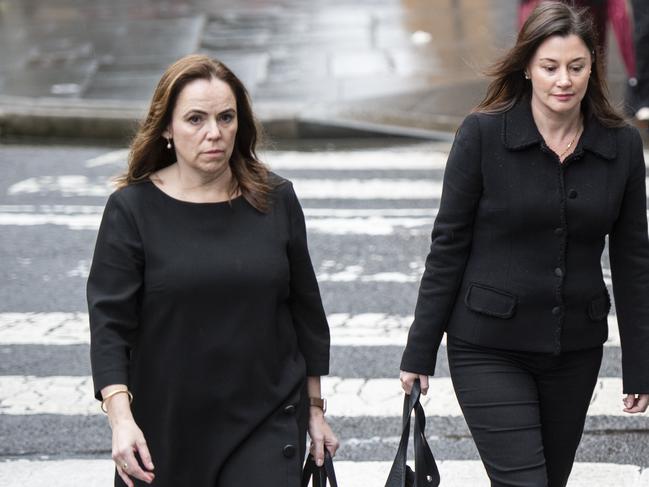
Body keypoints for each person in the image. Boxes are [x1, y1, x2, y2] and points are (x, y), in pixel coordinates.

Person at [400, 2, 649, 486]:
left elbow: (633, 261)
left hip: (575, 348)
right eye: (550, 67)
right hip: (488, 344)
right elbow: (448, 245)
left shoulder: (619, 147)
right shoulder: (483, 134)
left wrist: (639, 366)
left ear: (592, 68)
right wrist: (419, 352)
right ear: (527, 69)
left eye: (576, 67)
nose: (564, 80)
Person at [87, 54, 339, 487]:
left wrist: (315, 409)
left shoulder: (275, 199)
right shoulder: (132, 210)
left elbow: (306, 312)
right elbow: (110, 325)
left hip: (266, 418)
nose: (214, 133)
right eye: (195, 119)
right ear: (166, 127)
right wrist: (120, 420)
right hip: (167, 428)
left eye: (226, 117)